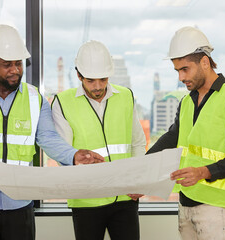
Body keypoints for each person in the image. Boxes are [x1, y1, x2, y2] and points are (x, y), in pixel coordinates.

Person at [0, 24, 104, 240]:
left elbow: (48, 138)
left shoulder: (35, 98)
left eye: (18, 63)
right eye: (7, 65)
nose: (15, 70)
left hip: (19, 207)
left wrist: (73, 156)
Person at [147, 26, 225, 240]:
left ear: (204, 62)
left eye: (185, 69)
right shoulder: (186, 101)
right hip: (186, 201)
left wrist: (202, 172)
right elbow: (172, 137)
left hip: (216, 208)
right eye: (177, 70)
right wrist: (141, 167)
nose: (180, 77)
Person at [51, 40, 147, 240]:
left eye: (103, 79)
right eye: (91, 80)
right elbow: (63, 153)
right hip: (86, 200)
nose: (98, 87)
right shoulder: (62, 102)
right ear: (78, 75)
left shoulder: (126, 96)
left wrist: (138, 178)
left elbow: (137, 142)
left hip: (124, 197)